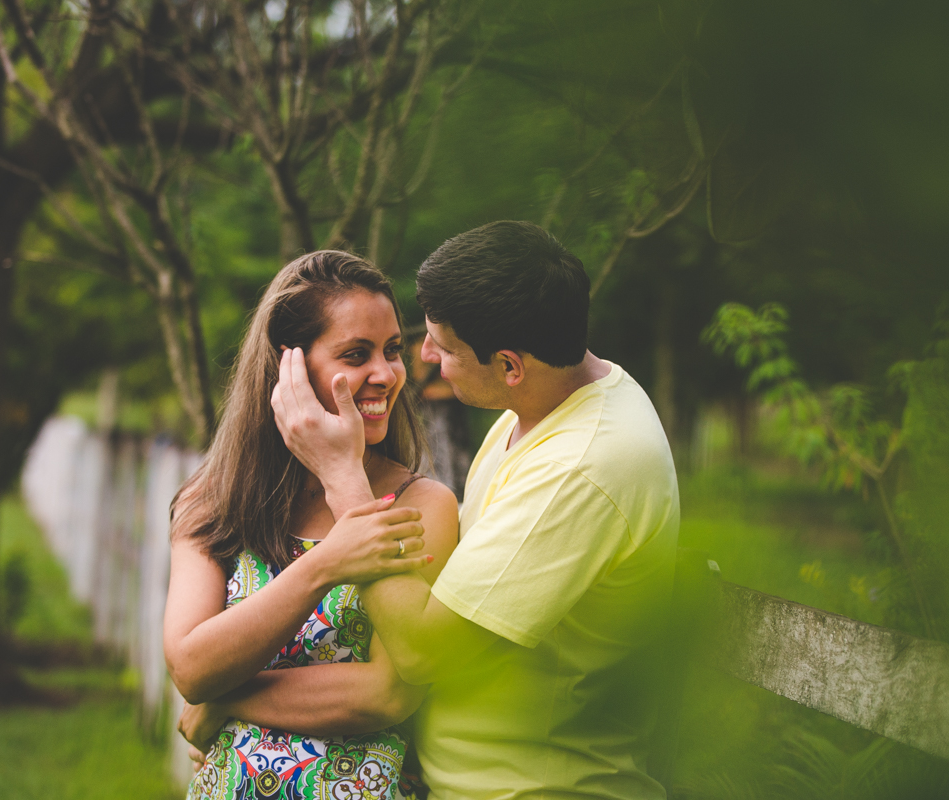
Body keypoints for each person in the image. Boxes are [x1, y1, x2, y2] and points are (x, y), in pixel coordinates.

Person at [273, 221, 681, 799]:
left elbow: (420, 651)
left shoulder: (579, 468)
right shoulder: (543, 407)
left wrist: (342, 477)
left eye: (444, 345)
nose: (424, 355)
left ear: (511, 365)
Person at [163, 250, 459, 800]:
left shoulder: (422, 505)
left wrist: (228, 700)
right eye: (355, 353)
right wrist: (326, 564)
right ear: (289, 369)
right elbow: (192, 667)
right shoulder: (214, 503)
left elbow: (388, 693)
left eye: (392, 351)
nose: (385, 374)